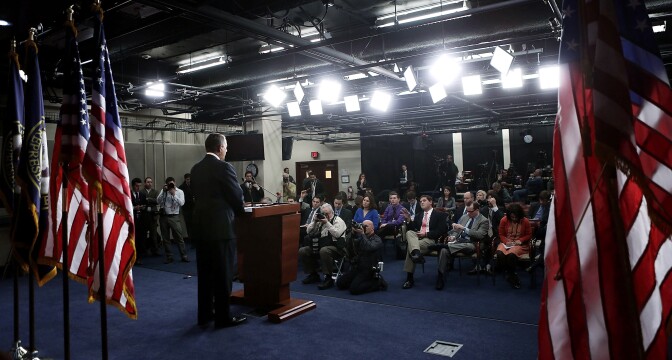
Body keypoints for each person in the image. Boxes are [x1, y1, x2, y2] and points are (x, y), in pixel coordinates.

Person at [190, 133, 246, 328]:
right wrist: (239, 212)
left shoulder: (195, 169)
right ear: (220, 148)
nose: (227, 150)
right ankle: (223, 317)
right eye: (227, 147)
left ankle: (205, 315)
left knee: (205, 275)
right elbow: (237, 196)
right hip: (221, 230)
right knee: (223, 275)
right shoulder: (224, 167)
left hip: (201, 231)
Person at [435, 201, 489, 289]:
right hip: (459, 242)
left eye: (470, 211)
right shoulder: (465, 216)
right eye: (467, 211)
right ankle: (440, 277)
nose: (468, 213)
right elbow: (456, 230)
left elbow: (479, 235)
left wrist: (464, 228)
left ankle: (444, 245)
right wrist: (452, 236)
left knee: (469, 246)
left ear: (477, 210)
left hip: (473, 243)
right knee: (444, 251)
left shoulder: (484, 221)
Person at [400, 195, 448, 289]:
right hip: (417, 239)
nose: (421, 202)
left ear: (430, 202)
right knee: (409, 232)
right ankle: (417, 253)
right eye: (420, 201)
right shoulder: (418, 215)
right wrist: (409, 220)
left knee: (411, 248)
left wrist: (426, 234)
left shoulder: (440, 215)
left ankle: (409, 278)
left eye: (424, 200)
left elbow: (441, 231)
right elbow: (413, 229)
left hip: (430, 239)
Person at [298, 203, 347, 290]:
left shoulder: (338, 220)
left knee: (324, 250)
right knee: (303, 250)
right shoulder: (320, 222)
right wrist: (315, 221)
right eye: (323, 214)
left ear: (331, 212)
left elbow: (337, 234)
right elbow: (308, 231)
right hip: (321, 247)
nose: (325, 216)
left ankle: (328, 278)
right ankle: (313, 274)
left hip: (337, 248)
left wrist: (327, 223)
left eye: (327, 214)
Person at [336, 220, 387, 294]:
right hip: (357, 267)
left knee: (354, 289)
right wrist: (353, 233)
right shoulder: (360, 237)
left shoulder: (377, 239)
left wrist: (362, 234)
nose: (364, 227)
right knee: (340, 283)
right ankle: (358, 281)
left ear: (372, 227)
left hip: (369, 269)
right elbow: (348, 245)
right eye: (363, 226)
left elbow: (368, 247)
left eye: (366, 226)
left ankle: (377, 283)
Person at [495, 203, 532, 289]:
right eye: (512, 217)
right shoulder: (504, 220)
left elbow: (529, 234)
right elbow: (501, 234)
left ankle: (511, 275)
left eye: (516, 217)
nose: (514, 219)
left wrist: (520, 240)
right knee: (500, 253)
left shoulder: (525, 221)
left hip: (520, 244)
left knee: (511, 254)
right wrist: (506, 241)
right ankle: (511, 274)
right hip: (506, 243)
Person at [157, 177, 189, 264]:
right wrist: (163, 191)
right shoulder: (164, 191)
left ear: (175, 183)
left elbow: (182, 203)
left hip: (174, 216)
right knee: (166, 238)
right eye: (169, 184)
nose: (171, 185)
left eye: (172, 183)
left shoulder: (180, 192)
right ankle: (169, 257)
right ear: (166, 184)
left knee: (179, 237)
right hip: (164, 217)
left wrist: (174, 194)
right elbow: (158, 201)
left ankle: (184, 255)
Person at [526, 190, 551, 272]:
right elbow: (528, 217)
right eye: (540, 200)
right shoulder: (534, 205)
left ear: (547, 200)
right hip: (531, 225)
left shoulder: (549, 207)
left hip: (541, 229)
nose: (541, 202)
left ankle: (535, 264)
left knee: (545, 239)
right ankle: (538, 262)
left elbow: (545, 220)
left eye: (543, 200)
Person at [142, 176, 161, 256]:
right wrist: (149, 200)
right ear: (145, 183)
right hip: (144, 216)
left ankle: (155, 250)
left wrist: (148, 199)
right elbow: (141, 201)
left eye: (151, 182)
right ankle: (144, 250)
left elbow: (157, 201)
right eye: (148, 182)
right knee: (143, 234)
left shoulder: (155, 192)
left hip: (153, 216)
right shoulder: (141, 192)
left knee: (153, 234)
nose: (149, 183)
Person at [131, 178, 147, 264]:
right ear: (133, 185)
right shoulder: (129, 194)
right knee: (134, 238)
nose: (138, 188)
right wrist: (134, 208)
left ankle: (139, 257)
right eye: (137, 186)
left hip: (141, 219)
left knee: (141, 238)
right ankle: (133, 256)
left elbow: (145, 204)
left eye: (139, 186)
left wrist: (142, 207)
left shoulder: (142, 195)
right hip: (132, 219)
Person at [179, 173, 195, 244]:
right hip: (186, 209)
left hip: (194, 208)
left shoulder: (194, 186)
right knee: (188, 225)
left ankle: (196, 240)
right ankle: (191, 240)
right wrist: (192, 199)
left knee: (195, 225)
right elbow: (182, 200)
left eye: (190, 179)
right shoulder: (181, 187)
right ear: (185, 179)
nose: (189, 181)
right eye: (188, 179)